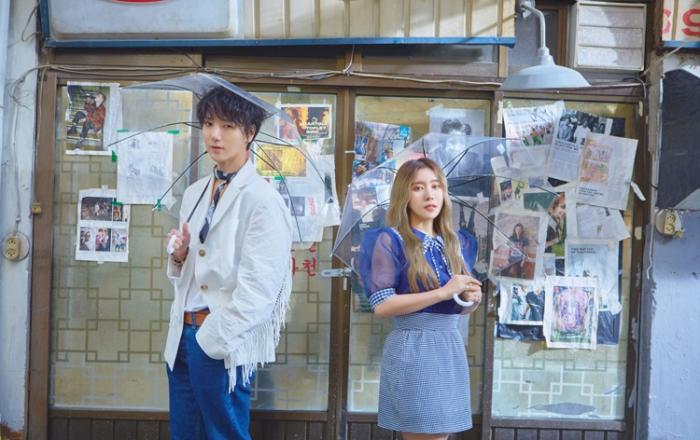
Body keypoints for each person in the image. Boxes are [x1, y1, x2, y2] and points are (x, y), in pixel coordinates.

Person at [164, 86, 293, 440]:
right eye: (208, 124)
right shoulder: (195, 192)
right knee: (184, 434)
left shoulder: (263, 199)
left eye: (227, 126)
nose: (214, 134)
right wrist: (179, 256)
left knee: (225, 434)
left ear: (249, 133)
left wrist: (212, 338)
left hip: (219, 337)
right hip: (181, 335)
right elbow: (192, 271)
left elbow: (260, 289)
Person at [358, 157, 483, 439]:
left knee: (441, 435)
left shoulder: (456, 243)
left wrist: (472, 299)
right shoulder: (390, 240)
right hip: (413, 348)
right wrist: (443, 291)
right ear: (404, 194)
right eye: (418, 188)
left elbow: (456, 309)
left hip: (449, 347)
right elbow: (382, 304)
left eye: (436, 186)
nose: (430, 195)